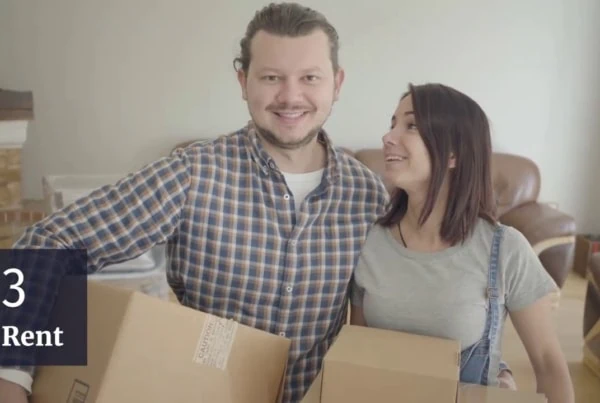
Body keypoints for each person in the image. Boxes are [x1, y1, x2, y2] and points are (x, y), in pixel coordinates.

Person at [0, 3, 389, 402]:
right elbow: (45, 244)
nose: (291, 96)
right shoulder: (192, 174)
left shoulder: (368, 196)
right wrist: (12, 376)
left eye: (310, 78)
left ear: (336, 84)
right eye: (271, 77)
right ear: (243, 81)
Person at [349, 83, 575, 403]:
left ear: (453, 153)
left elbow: (550, 366)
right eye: (392, 124)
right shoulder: (369, 241)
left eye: (411, 125)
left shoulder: (504, 249)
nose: (388, 137)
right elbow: (357, 355)